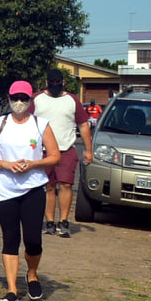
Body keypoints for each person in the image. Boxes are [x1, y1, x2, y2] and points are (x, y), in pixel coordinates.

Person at [0, 82, 60, 301]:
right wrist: (6, 165)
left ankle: (32, 275)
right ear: (9, 98)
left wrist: (34, 164)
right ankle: (11, 288)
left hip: (33, 187)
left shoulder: (41, 124)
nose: (19, 103)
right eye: (15, 98)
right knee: (10, 238)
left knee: (33, 239)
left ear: (30, 100)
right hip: (4, 189)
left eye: (24, 98)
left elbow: (55, 156)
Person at [34, 68, 90, 238]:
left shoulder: (72, 100)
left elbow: (83, 125)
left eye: (58, 83)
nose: (55, 85)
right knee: (49, 186)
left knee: (65, 185)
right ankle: (49, 222)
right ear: (46, 83)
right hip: (43, 151)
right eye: (52, 83)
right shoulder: (37, 99)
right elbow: (27, 122)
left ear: (63, 83)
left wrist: (88, 150)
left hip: (65, 149)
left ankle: (63, 221)